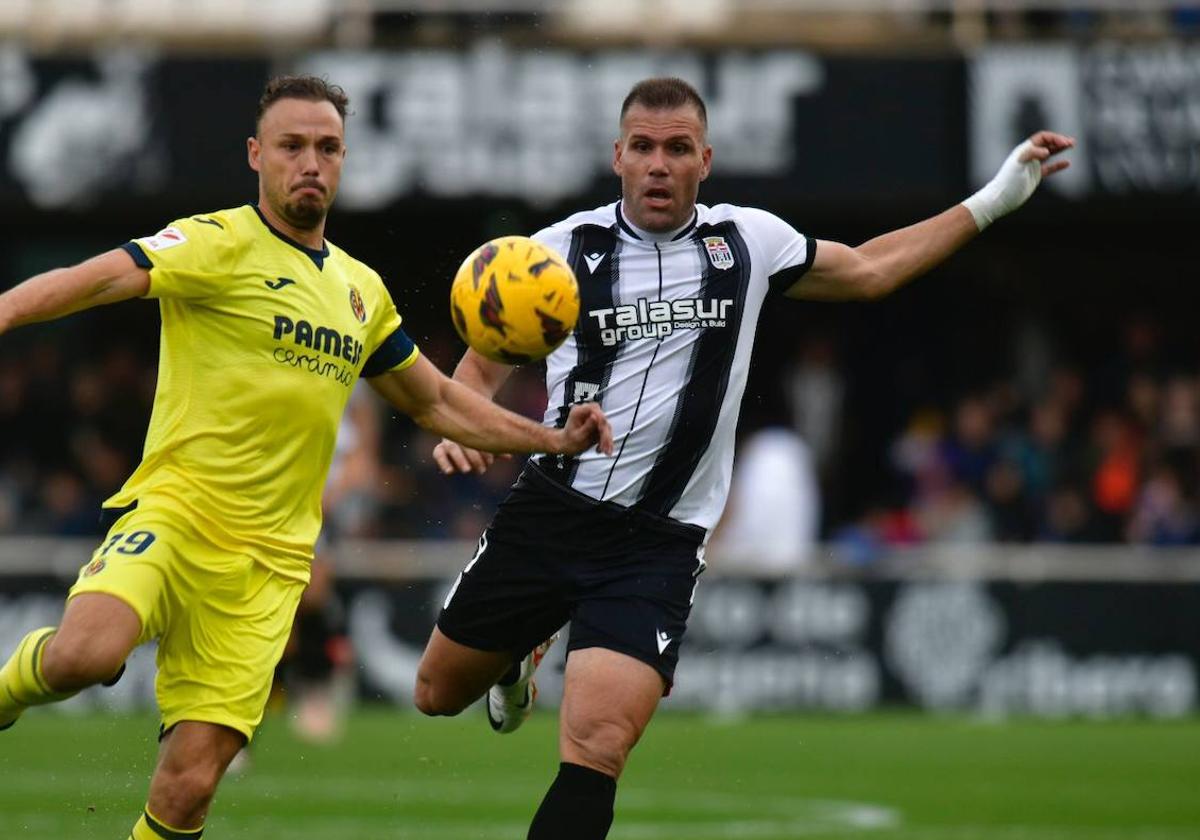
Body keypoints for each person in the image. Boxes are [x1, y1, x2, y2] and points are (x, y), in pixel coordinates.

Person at [412, 76, 1072, 840]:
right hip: (552, 512)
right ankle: (518, 653)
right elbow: (480, 366)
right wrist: (467, 424)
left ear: (706, 160)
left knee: (596, 746)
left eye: (678, 149)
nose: (659, 165)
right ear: (617, 156)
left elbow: (870, 270)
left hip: (656, 544)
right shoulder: (556, 252)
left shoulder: (746, 243)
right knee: (435, 694)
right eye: (644, 148)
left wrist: (997, 195)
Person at [0, 75, 612, 840]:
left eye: (326, 148)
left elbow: (435, 402)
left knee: (186, 790)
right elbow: (92, 281)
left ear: (345, 159)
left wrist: (552, 439)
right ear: (258, 155)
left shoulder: (361, 293)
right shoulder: (216, 243)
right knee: (83, 658)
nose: (310, 163)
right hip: (177, 515)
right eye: (291, 146)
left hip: (270, 566)